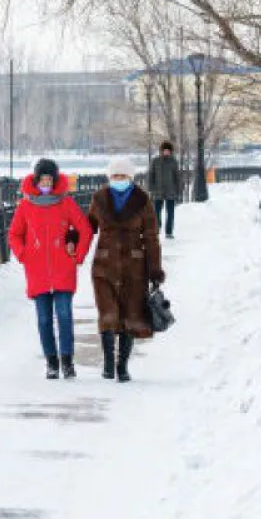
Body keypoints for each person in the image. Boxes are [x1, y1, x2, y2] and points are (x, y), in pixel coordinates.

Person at [9, 159, 93, 380]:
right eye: (42, 179)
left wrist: (78, 255)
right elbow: (14, 234)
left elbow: (85, 229)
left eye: (49, 179)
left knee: (64, 316)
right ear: (36, 180)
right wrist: (23, 254)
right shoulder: (25, 205)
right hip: (37, 271)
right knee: (44, 319)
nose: (46, 183)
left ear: (54, 180)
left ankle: (67, 361)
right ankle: (51, 362)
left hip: (63, 268)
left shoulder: (65, 203)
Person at [87, 157, 165, 383]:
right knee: (108, 314)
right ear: (109, 177)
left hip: (134, 268)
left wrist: (155, 269)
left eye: (122, 176)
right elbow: (87, 226)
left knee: (130, 316)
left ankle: (122, 366)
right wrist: (72, 238)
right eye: (114, 176)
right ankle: (108, 364)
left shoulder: (143, 201)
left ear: (130, 178)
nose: (118, 180)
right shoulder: (99, 199)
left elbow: (151, 237)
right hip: (104, 266)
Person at [146, 141, 182, 238]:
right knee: (156, 212)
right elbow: (151, 175)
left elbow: (177, 176)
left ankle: (169, 232)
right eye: (164, 150)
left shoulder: (173, 161)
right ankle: (157, 228)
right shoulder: (155, 161)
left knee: (170, 213)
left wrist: (179, 190)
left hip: (171, 191)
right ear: (161, 151)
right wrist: (150, 188)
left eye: (168, 150)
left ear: (171, 151)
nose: (166, 152)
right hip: (158, 191)